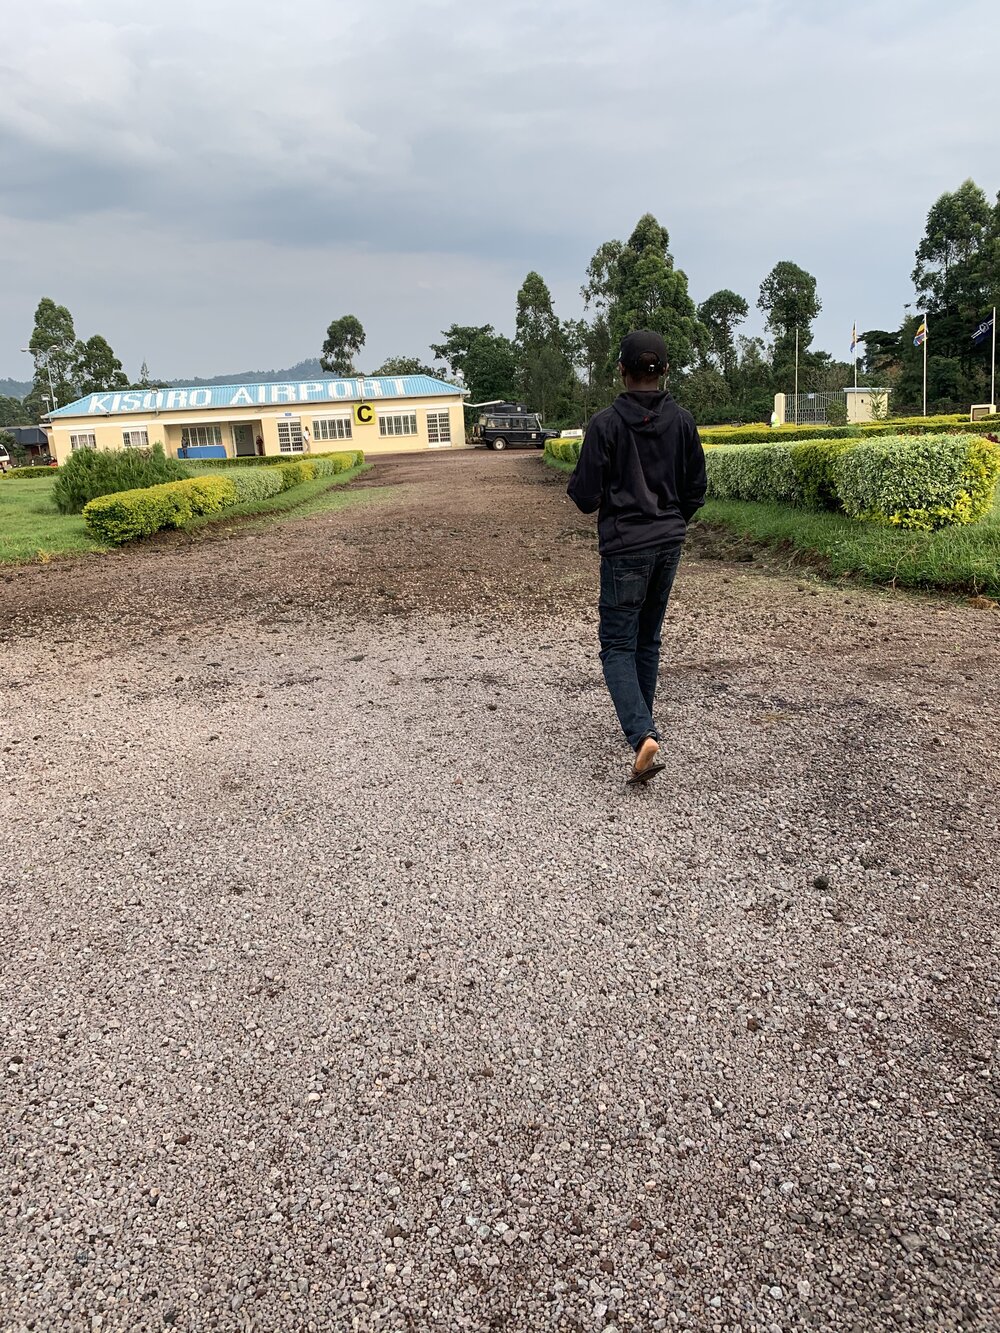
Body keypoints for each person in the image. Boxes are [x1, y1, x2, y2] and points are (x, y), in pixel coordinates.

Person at [567, 330, 706, 786]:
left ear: (621, 371)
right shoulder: (684, 422)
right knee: (647, 639)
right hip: (669, 543)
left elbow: (585, 496)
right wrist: (671, 521)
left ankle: (641, 732)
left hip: (626, 546)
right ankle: (641, 726)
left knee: (617, 644)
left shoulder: (605, 424)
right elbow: (695, 490)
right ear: (665, 371)